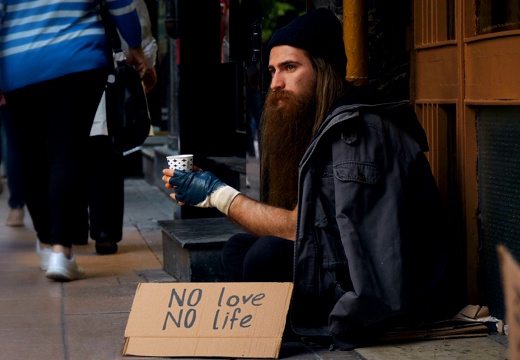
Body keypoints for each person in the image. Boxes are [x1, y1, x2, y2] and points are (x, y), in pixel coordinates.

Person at [162, 8, 460, 350]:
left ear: (323, 70)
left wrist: (217, 194)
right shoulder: (318, 124)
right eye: (273, 70)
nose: (275, 83)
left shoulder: (356, 133)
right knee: (237, 249)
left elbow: (297, 229)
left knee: (267, 254)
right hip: (345, 266)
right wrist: (211, 193)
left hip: (399, 294)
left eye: (290, 67)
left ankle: (275, 337)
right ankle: (262, 336)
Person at [0, 0, 146, 281]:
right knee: (66, 152)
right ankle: (60, 251)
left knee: (30, 155)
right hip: (79, 57)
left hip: (20, 63)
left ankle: (45, 243)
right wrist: (134, 44)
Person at [87, 0, 157, 255]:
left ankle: (69, 229)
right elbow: (136, 20)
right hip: (104, 76)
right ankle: (105, 233)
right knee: (106, 155)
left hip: (60, 76)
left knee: (66, 153)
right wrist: (145, 61)